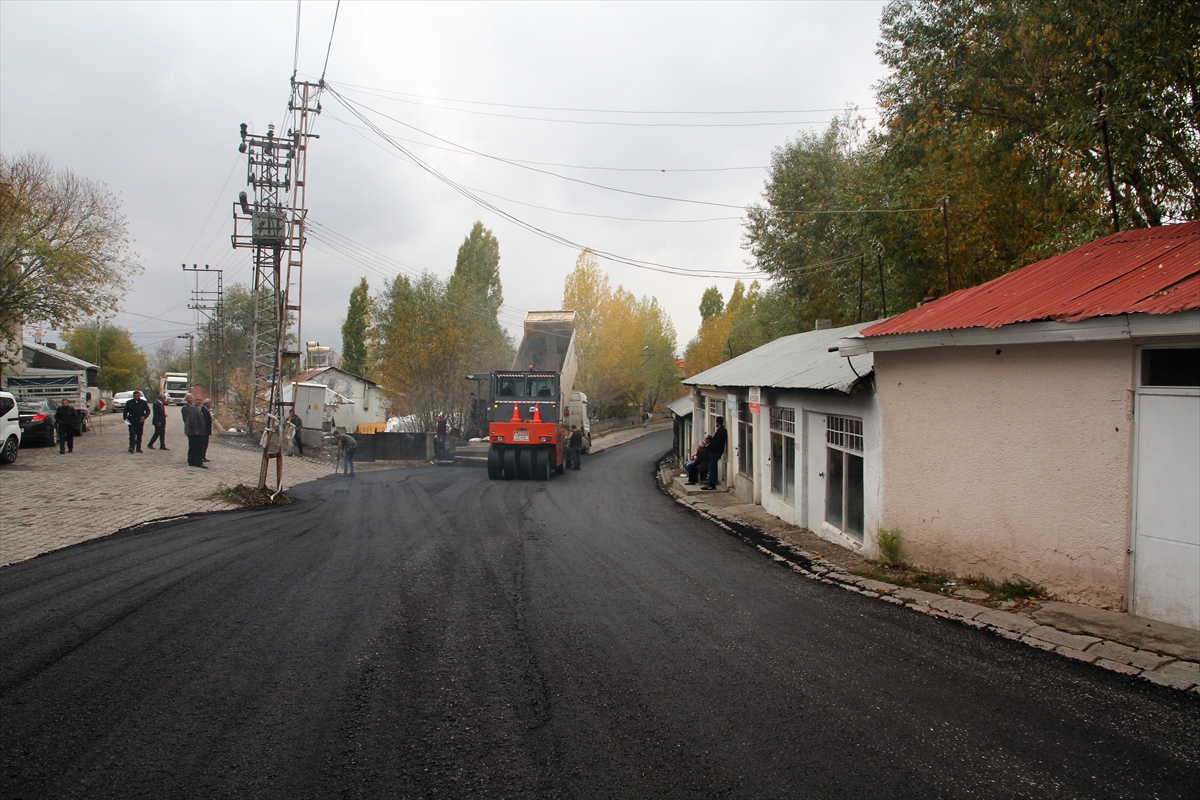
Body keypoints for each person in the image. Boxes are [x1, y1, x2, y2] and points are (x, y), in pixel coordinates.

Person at [702, 416, 727, 490]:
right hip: (716, 451)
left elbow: (716, 442)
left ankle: (711, 484)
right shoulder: (721, 430)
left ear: (717, 422)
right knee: (711, 467)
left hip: (715, 451)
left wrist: (707, 448)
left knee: (712, 468)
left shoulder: (721, 431)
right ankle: (711, 483)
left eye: (716, 422)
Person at [181, 394, 206, 468]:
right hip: (194, 431)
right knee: (196, 447)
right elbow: (193, 419)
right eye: (197, 400)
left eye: (200, 400)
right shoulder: (193, 408)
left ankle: (192, 461)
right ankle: (198, 462)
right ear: (194, 401)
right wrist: (196, 430)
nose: (199, 401)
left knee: (193, 446)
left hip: (197, 431)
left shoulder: (199, 408)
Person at [200, 398, 213, 462]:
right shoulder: (203, 409)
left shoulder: (207, 409)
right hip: (204, 430)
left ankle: (203, 456)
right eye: (210, 403)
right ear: (207, 403)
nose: (211, 404)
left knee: (206, 444)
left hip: (207, 430)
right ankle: (201, 456)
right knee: (203, 444)